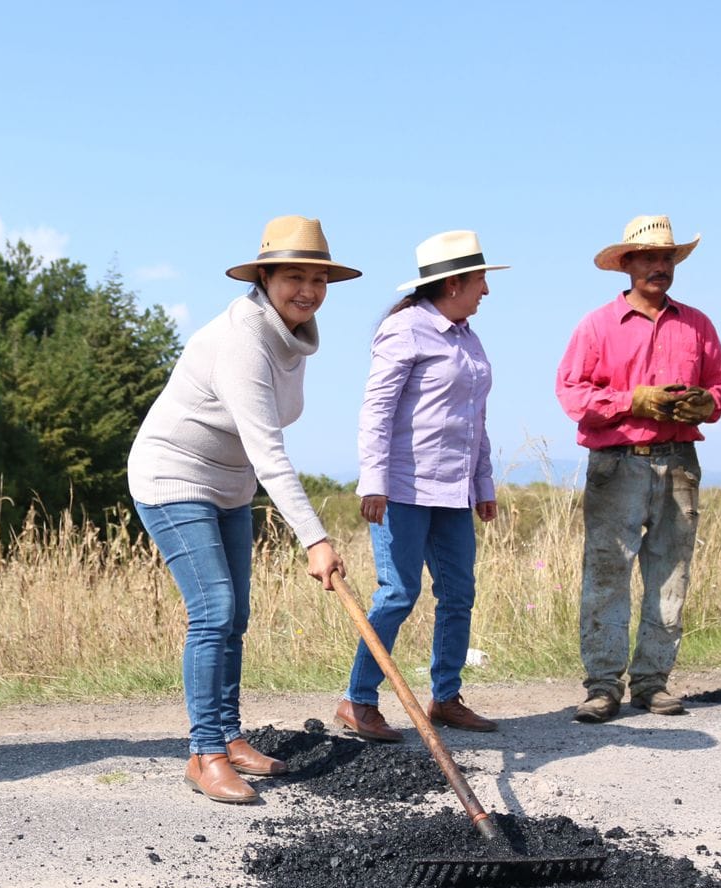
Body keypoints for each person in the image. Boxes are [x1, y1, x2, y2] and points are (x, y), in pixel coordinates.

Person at [128, 216, 356, 804]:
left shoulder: (293, 337)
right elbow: (269, 450)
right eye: (293, 277)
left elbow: (262, 442)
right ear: (265, 278)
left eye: (318, 278)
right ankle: (204, 755)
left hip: (230, 485)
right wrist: (315, 538)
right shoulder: (242, 339)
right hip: (172, 476)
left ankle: (229, 737)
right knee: (214, 609)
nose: (307, 289)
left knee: (237, 614)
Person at [555, 215, 721, 723]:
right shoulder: (596, 326)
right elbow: (573, 394)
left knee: (670, 573)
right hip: (617, 462)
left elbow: (720, 387)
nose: (661, 267)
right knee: (607, 574)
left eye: (668, 258)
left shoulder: (697, 323)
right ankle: (603, 686)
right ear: (626, 265)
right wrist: (634, 401)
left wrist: (704, 403)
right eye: (650, 258)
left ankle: (653, 683)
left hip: (678, 463)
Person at [337, 231, 507, 742]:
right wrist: (373, 480)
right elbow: (377, 410)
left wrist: (483, 482)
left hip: (454, 492)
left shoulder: (468, 337)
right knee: (398, 593)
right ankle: (359, 700)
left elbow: (474, 418)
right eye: (480, 279)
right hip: (404, 488)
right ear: (453, 282)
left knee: (460, 593)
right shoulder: (405, 329)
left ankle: (446, 697)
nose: (486, 290)